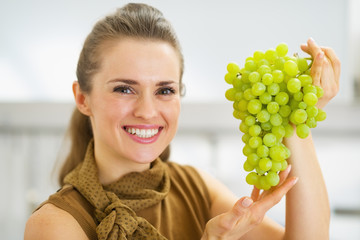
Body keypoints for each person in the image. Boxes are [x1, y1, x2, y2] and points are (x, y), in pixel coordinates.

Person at [24, 3, 340, 240]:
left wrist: (296, 120)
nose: (147, 111)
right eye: (124, 89)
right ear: (83, 98)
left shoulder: (194, 187)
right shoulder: (55, 223)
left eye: (165, 90)